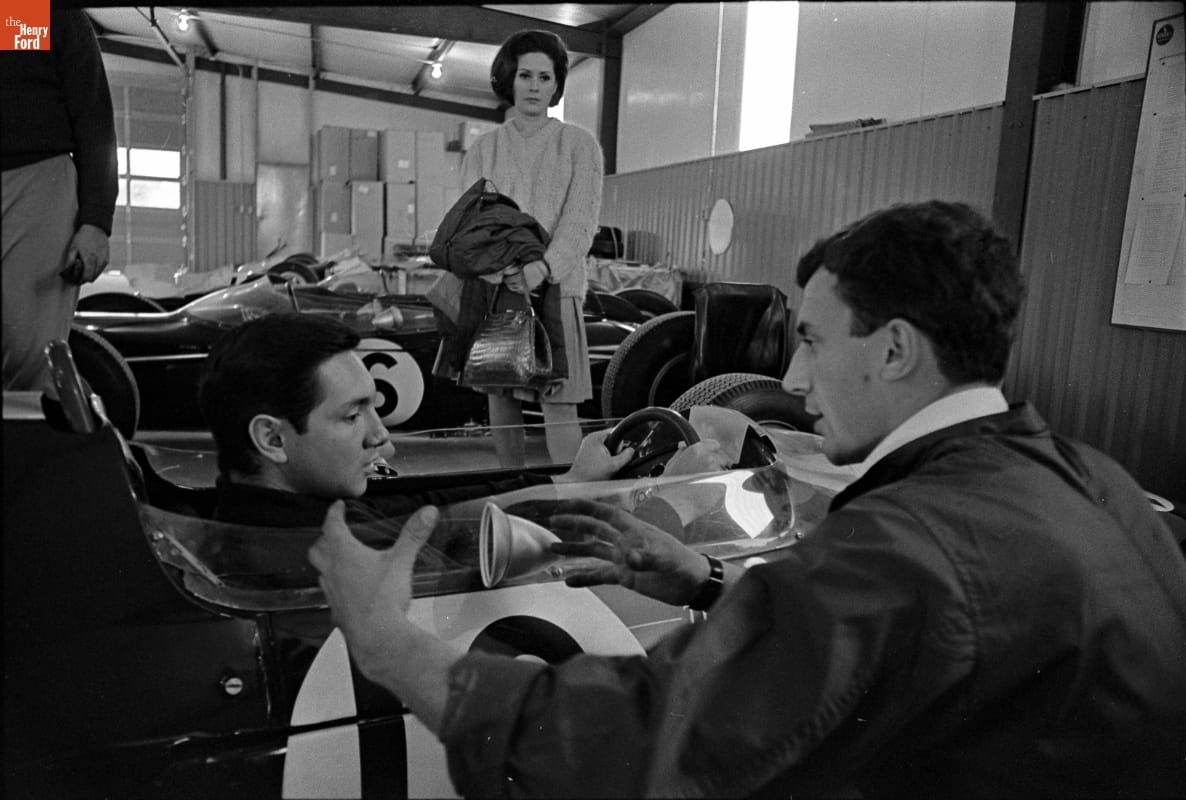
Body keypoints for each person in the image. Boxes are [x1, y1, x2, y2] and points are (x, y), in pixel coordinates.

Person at [309, 200, 1186, 798]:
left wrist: (389, 646)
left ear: (894, 351)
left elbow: (644, 745)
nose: (794, 379)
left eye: (812, 341)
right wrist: (706, 583)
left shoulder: (909, 542)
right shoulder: (1094, 477)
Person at [196, 313, 638, 529]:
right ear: (272, 438)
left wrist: (568, 483)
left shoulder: (278, 511)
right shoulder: (343, 548)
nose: (381, 437)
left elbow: (423, 503)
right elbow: (443, 526)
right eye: (352, 416)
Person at [428, 29, 603, 468]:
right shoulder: (484, 148)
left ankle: (569, 497)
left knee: (559, 402)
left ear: (557, 85)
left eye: (545, 77)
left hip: (557, 290)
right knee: (501, 399)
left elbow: (581, 222)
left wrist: (543, 268)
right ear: (509, 78)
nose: (534, 87)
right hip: (495, 289)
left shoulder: (579, 145)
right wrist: (494, 269)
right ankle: (512, 489)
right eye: (525, 75)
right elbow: (468, 220)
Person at [1, 9, 118, 394]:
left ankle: (35, 426)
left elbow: (94, 117)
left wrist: (96, 220)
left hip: (36, 179)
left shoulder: (26, 15)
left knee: (28, 352)